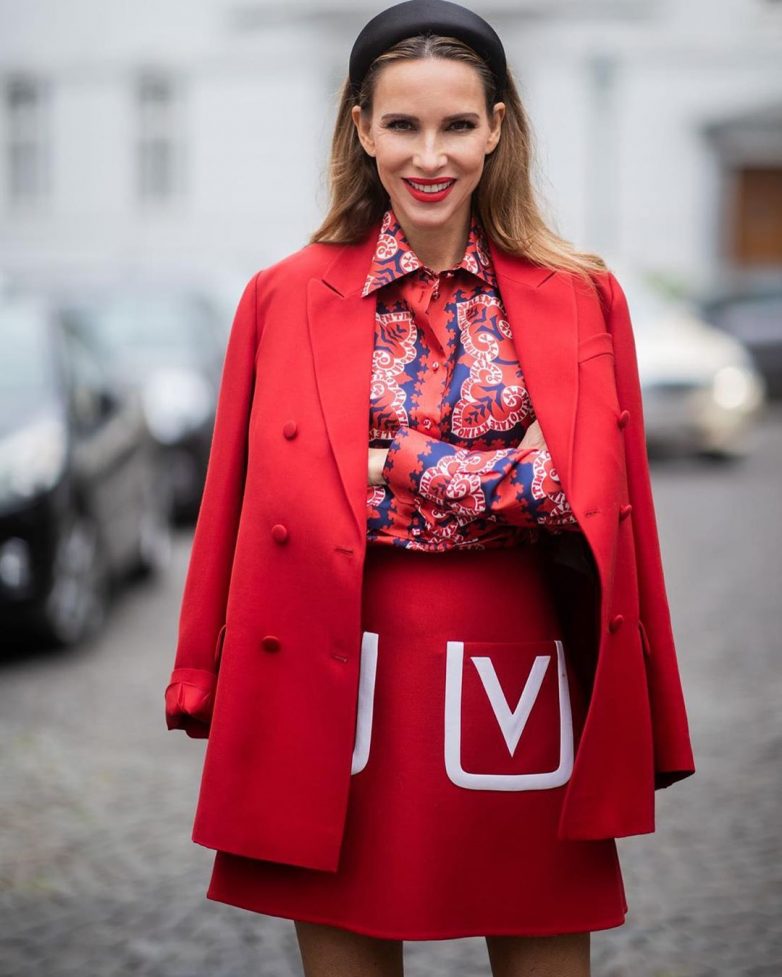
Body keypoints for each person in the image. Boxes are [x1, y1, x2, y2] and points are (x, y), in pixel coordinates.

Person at [164, 2, 696, 975]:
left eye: (456, 124)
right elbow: (242, 504)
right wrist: (200, 666)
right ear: (361, 128)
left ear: (496, 126)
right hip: (335, 670)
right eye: (402, 124)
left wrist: (386, 461)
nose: (429, 155)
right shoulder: (283, 296)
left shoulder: (580, 295)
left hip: (523, 671)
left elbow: (570, 493)